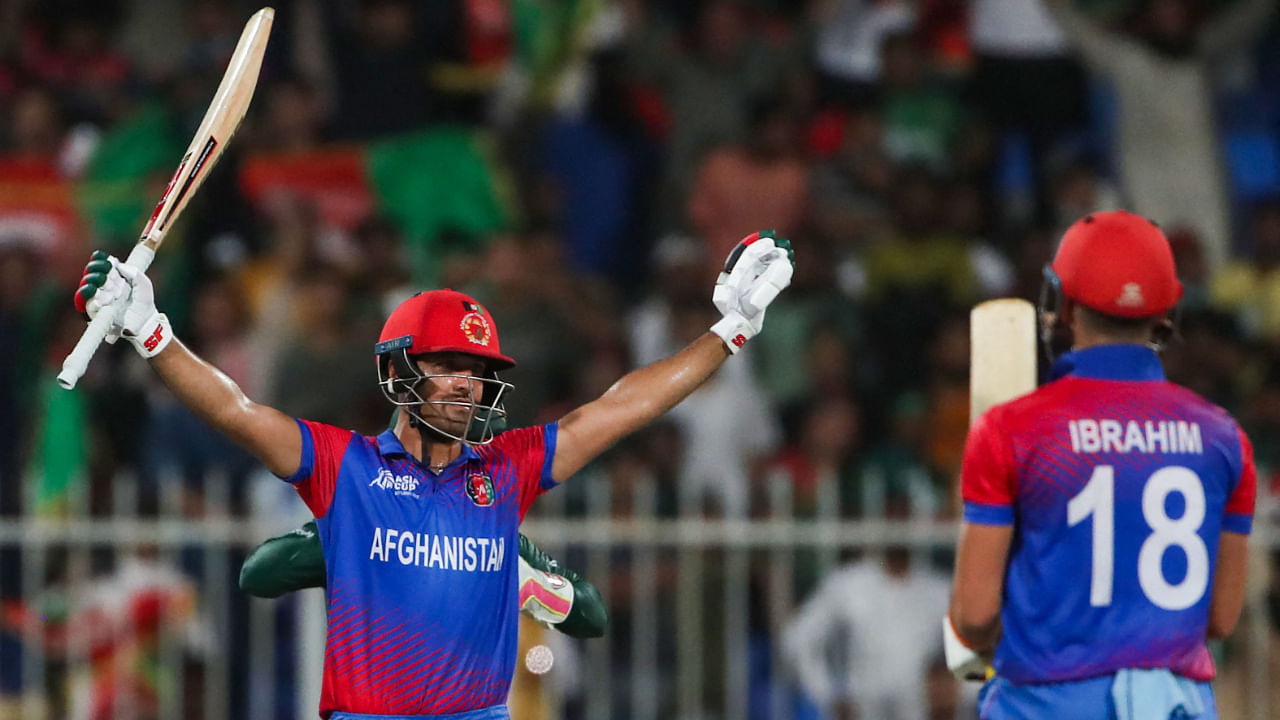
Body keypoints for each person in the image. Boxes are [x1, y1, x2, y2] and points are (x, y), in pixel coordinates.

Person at [72, 230, 794, 720]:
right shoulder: (345, 468)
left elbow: (620, 408)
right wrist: (153, 335)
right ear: (396, 370)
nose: (467, 385)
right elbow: (237, 411)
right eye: (447, 365)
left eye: (478, 372)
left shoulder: (505, 469)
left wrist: (729, 333)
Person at [944, 211, 1255, 719]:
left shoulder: (1010, 431)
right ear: (1168, 312)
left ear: (1063, 305)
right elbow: (1220, 619)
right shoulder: (1225, 437)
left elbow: (975, 616)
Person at [239, 519, 609, 639]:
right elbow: (259, 574)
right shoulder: (367, 521)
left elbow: (593, 616)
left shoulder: (493, 532)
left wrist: (532, 587)